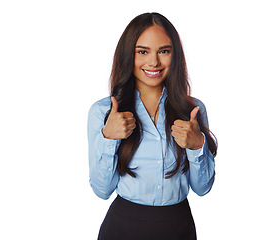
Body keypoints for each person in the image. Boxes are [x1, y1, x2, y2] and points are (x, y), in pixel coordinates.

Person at [87, 12, 217, 240]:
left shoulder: (193, 111)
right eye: (142, 51)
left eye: (164, 51)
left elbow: (202, 188)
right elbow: (101, 190)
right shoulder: (104, 112)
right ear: (129, 55)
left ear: (174, 56)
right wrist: (109, 138)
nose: (154, 62)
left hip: (178, 227)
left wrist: (197, 146)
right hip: (123, 227)